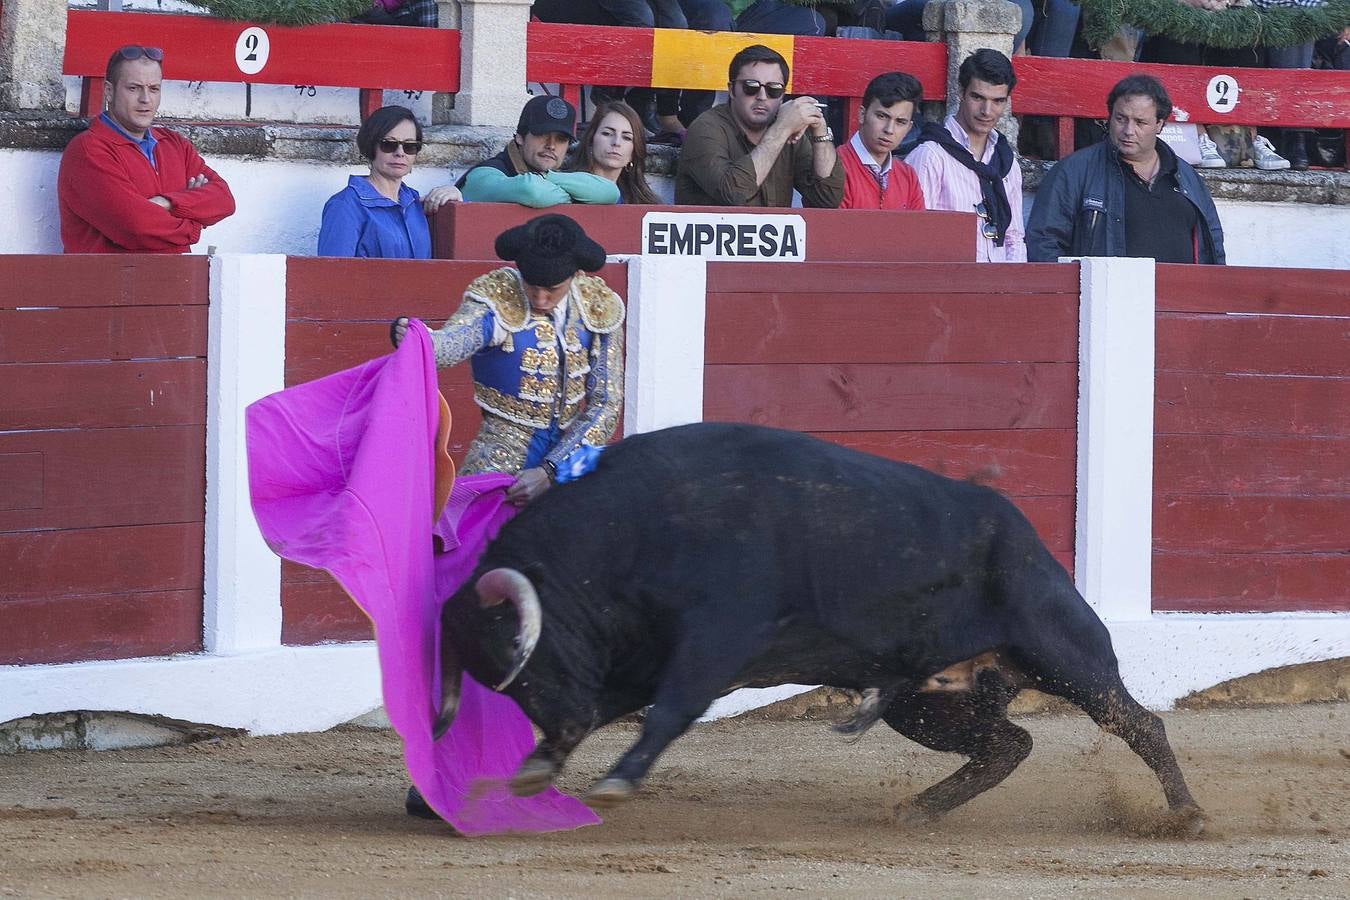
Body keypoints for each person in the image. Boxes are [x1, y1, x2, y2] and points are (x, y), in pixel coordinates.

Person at [390, 214, 624, 505]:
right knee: (463, 532)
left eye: (552, 290)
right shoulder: (499, 296)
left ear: (575, 276)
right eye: (531, 287)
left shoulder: (598, 304)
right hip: (502, 448)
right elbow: (453, 343)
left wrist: (553, 470)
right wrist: (419, 340)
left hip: (575, 454)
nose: (539, 299)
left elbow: (606, 402)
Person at [1026, 74, 1225, 264]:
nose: (1128, 131)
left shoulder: (1187, 177)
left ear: (1160, 124)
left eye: (1140, 122)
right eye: (1121, 119)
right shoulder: (1073, 172)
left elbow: (1213, 246)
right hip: (1103, 297)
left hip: (1181, 298)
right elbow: (1044, 243)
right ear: (1109, 118)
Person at [57, 45, 235, 253]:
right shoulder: (88, 150)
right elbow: (136, 228)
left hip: (176, 282)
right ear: (109, 91)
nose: (145, 99)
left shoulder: (174, 144)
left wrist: (167, 203)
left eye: (154, 89)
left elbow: (224, 200)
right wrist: (194, 223)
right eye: (134, 88)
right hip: (110, 283)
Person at [675, 44, 844, 208]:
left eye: (774, 89)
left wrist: (819, 131)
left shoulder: (789, 130)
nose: (762, 96)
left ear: (782, 95)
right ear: (732, 90)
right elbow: (734, 193)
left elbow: (827, 200)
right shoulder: (705, 127)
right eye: (751, 87)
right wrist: (781, 130)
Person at [905, 49, 1025, 262]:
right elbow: (916, 240)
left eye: (998, 101)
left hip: (998, 288)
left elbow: (1013, 238)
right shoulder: (930, 156)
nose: (987, 111)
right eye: (978, 97)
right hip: (948, 287)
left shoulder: (1008, 163)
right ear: (961, 92)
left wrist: (1013, 290)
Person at [317, 105, 461, 258]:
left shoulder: (415, 203)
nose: (400, 153)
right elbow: (332, 274)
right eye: (389, 144)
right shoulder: (345, 206)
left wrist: (455, 195)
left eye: (410, 146)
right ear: (371, 146)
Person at [457, 95, 620, 207]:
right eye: (542, 134)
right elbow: (532, 191)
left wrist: (548, 177)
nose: (551, 145)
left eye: (561, 139)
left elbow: (610, 192)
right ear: (520, 137)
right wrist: (575, 196)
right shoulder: (485, 173)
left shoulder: (553, 177)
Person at [838, 72, 925, 211]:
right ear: (862, 114)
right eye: (882, 116)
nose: (889, 129)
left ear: (909, 128)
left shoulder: (908, 176)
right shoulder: (836, 167)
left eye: (900, 122)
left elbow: (919, 230)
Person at [567, 100, 662, 204]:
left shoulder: (645, 204)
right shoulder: (563, 193)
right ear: (591, 139)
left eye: (626, 138)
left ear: (634, 152)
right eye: (607, 133)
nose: (616, 142)